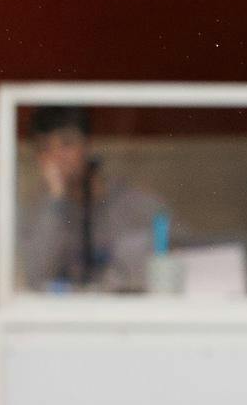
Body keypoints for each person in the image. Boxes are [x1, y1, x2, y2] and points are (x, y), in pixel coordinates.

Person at [18, 105, 171, 293]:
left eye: (67, 143)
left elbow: (179, 256)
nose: (57, 157)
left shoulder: (137, 203)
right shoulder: (37, 213)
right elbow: (37, 278)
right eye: (45, 148)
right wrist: (56, 201)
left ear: (88, 145)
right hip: (66, 319)